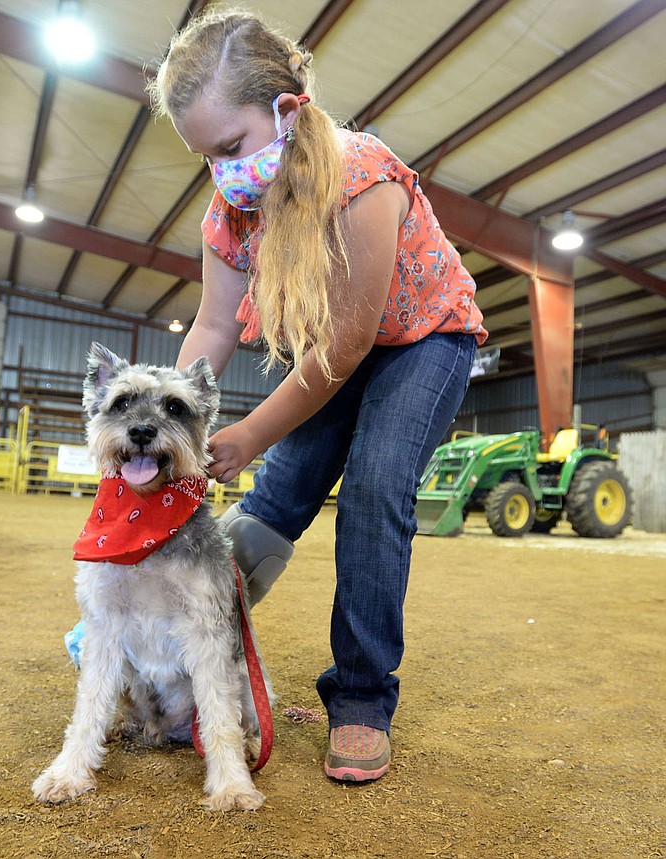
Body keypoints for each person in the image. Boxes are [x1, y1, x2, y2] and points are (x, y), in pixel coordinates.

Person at [150, 8, 487, 784]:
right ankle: (174, 657)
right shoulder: (231, 209)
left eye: (231, 147)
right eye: (206, 157)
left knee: (372, 490)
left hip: (423, 341)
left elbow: (345, 347)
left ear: (286, 109)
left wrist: (247, 434)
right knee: (282, 492)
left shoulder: (362, 175)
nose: (222, 170)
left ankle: (363, 700)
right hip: (334, 353)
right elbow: (209, 325)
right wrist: (173, 422)